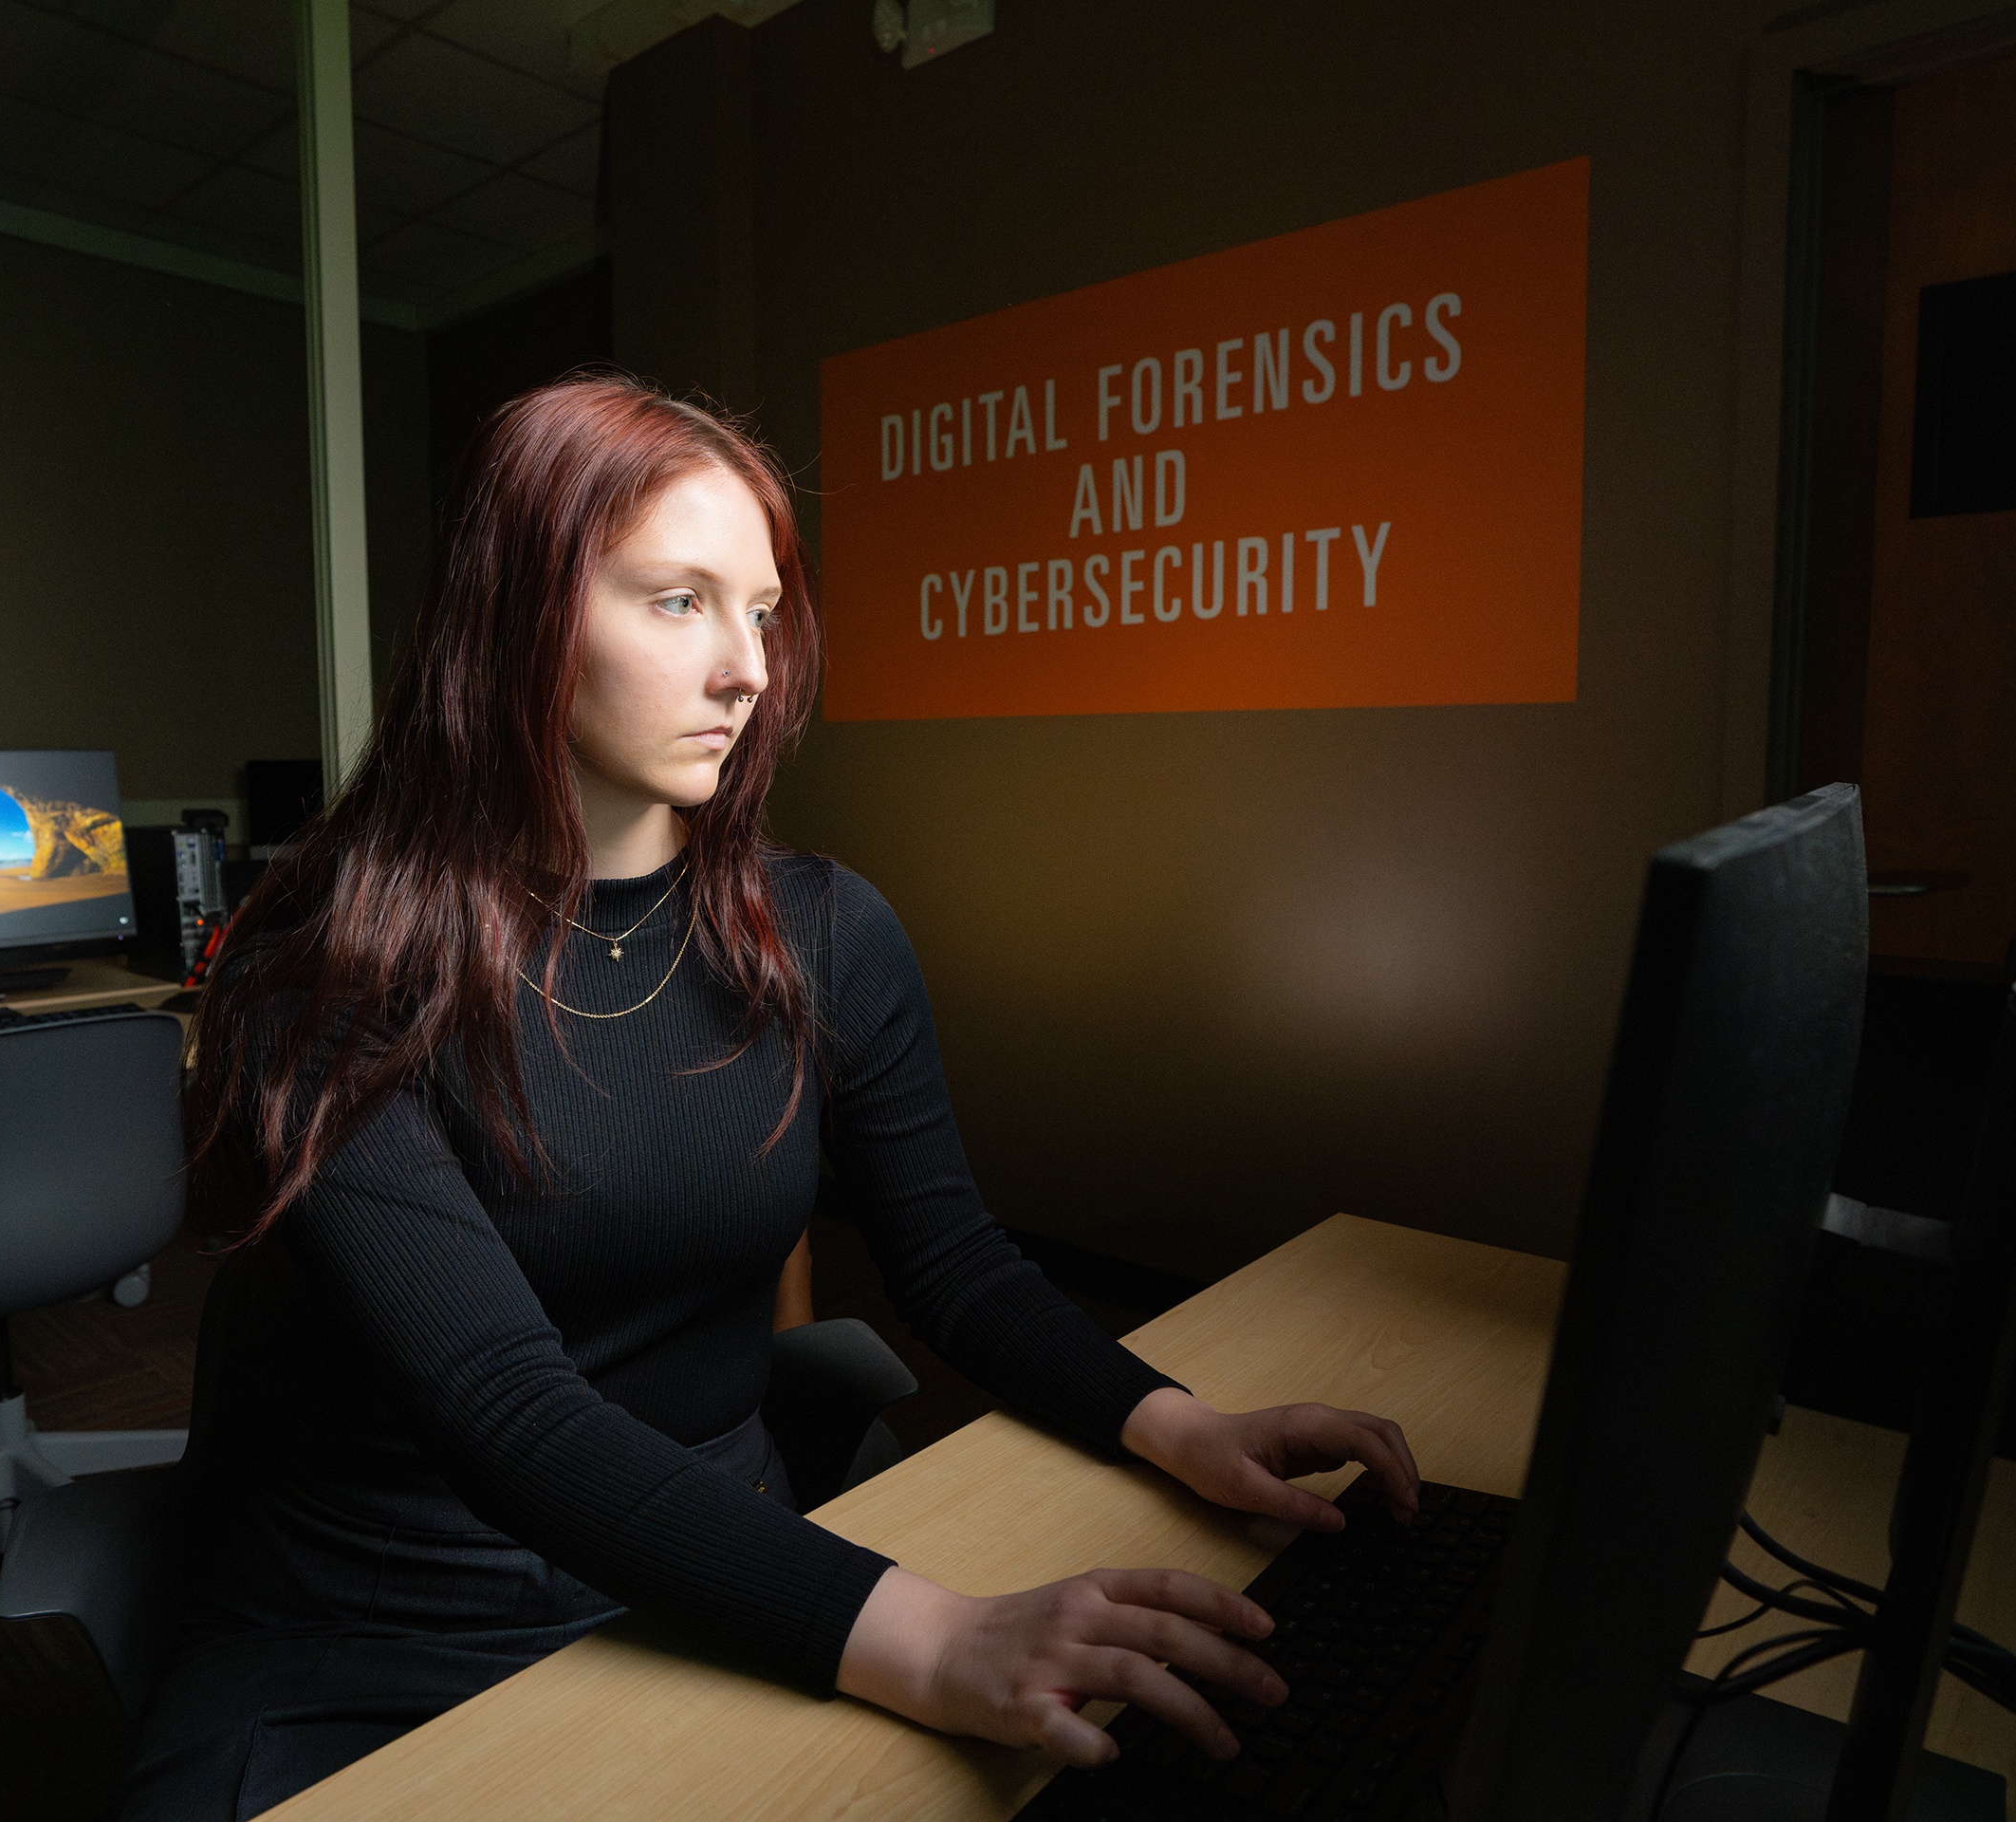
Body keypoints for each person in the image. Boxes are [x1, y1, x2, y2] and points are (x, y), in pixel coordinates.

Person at [122, 374, 1421, 1817]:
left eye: (760, 609)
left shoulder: (821, 929)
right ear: (517, 615)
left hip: (721, 1568)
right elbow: (509, 1407)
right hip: (405, 1620)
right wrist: (938, 1636)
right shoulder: (318, 972)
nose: (748, 667)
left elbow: (953, 1261)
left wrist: (1186, 1429)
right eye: (678, 601)